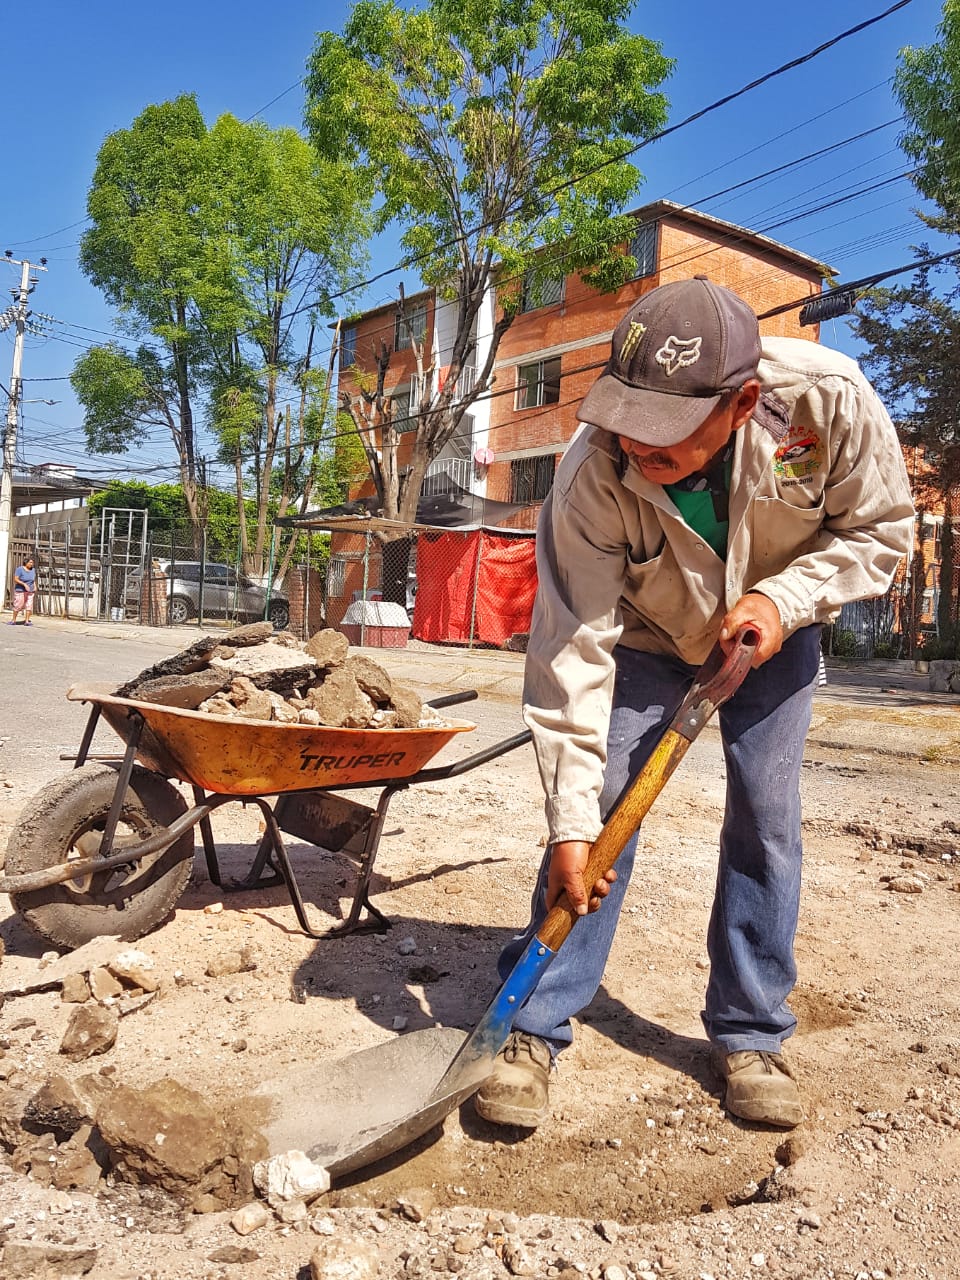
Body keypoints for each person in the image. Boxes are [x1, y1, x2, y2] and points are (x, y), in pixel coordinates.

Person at [475, 276, 914, 1131]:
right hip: (643, 634)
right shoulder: (589, 473)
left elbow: (881, 530)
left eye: (667, 431)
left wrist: (784, 602)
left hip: (771, 633)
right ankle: (533, 1022)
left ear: (743, 401)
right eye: (628, 417)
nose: (639, 444)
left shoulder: (828, 403)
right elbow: (571, 649)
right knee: (601, 812)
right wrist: (569, 827)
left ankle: (749, 1031)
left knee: (767, 814)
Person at [9, 556, 37, 626]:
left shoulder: (33, 570)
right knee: (18, 605)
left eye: (32, 563)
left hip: (30, 591)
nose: (31, 564)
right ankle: (14, 620)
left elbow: (33, 580)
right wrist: (24, 584)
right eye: (30, 562)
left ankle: (27, 621)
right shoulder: (19, 569)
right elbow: (16, 579)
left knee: (29, 605)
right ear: (26, 563)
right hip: (20, 590)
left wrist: (35, 586)